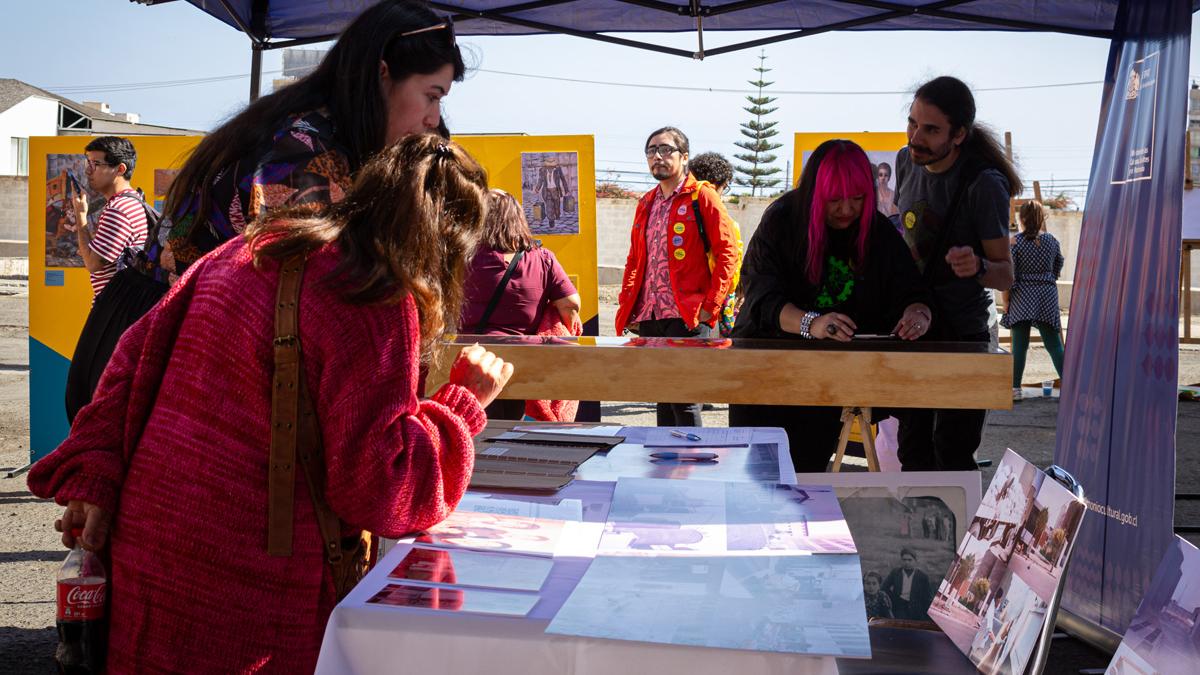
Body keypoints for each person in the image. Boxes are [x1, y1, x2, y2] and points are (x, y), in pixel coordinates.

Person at [28, 135, 511, 673]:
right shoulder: (372, 292)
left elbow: (130, 360)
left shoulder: (253, 246)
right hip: (258, 601)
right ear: (448, 239)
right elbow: (382, 490)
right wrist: (463, 404)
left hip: (150, 558)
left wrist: (94, 479)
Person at [63, 0, 465, 423]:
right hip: (162, 355)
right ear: (382, 73)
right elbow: (315, 298)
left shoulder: (303, 129)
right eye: (431, 95)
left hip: (160, 337)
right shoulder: (301, 155)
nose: (433, 117)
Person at [728, 140, 932, 472]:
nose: (847, 210)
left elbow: (910, 290)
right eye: (834, 200)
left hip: (825, 381)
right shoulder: (782, 219)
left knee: (806, 474)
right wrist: (812, 323)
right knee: (758, 476)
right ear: (814, 194)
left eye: (857, 199)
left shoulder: (878, 233)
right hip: (763, 374)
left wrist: (917, 313)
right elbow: (760, 297)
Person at [892, 75, 1021, 471]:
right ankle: (915, 532)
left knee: (952, 450)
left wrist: (978, 266)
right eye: (913, 123)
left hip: (965, 333)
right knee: (911, 448)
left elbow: (1005, 274)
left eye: (931, 130)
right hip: (915, 328)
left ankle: (957, 533)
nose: (916, 137)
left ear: (959, 134)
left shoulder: (984, 184)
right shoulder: (904, 161)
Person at [615, 127, 739, 427]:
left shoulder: (703, 196)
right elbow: (635, 261)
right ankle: (664, 468)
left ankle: (691, 469)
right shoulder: (646, 202)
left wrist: (711, 306)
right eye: (651, 151)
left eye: (666, 149)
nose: (657, 156)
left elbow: (729, 253)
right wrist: (629, 307)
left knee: (685, 402)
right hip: (652, 316)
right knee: (662, 397)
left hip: (690, 317)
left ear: (684, 157)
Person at [461, 189, 582, 420]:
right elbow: (570, 304)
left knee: (476, 428)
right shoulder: (542, 258)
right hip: (519, 362)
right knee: (508, 427)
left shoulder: (460, 257)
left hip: (470, 360)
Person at [66, 137, 148, 301]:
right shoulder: (133, 201)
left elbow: (93, 264)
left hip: (116, 311)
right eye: (87, 163)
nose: (88, 171)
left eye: (95, 164)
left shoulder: (118, 210)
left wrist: (80, 217)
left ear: (120, 169)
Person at [1002, 200, 1065, 399]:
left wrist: (1006, 301)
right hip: (1046, 294)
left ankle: (1015, 389)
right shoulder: (1052, 240)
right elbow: (1058, 265)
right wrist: (1046, 279)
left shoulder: (1015, 242)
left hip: (1022, 294)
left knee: (1020, 344)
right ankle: (1070, 388)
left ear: (1022, 218)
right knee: (1054, 343)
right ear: (1042, 218)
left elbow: (1009, 275)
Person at [688, 151, 745, 338]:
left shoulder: (678, 211)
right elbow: (731, 258)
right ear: (719, 185)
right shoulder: (721, 216)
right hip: (715, 293)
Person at [882, 548, 935, 621]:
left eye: (910, 560)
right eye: (904, 560)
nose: (906, 562)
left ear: (915, 561)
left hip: (916, 607)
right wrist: (893, 598)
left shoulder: (922, 576)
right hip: (899, 606)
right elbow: (884, 587)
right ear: (901, 560)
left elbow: (928, 597)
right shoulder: (896, 573)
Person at [534, 156, 568, 228]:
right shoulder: (542, 170)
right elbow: (540, 180)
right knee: (549, 207)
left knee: (556, 206)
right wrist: (537, 188)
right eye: (548, 167)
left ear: (554, 166)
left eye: (552, 167)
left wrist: (566, 190)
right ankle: (551, 220)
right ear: (546, 166)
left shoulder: (558, 170)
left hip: (556, 191)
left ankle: (557, 214)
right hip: (547, 192)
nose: (550, 168)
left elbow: (563, 179)